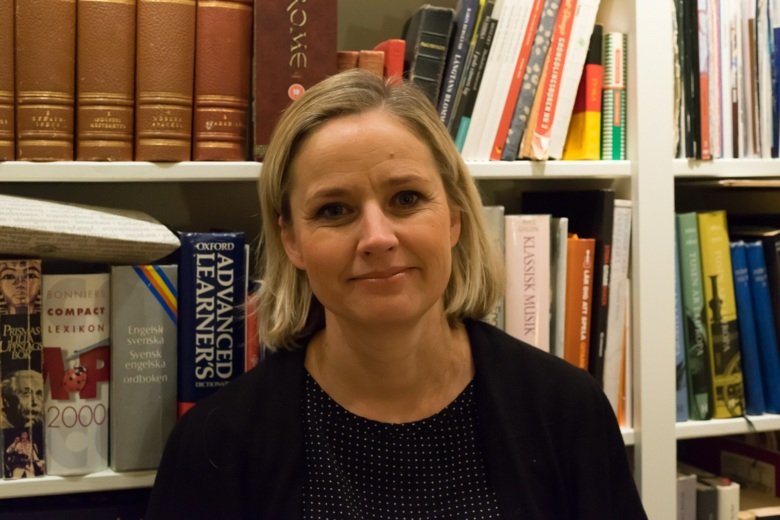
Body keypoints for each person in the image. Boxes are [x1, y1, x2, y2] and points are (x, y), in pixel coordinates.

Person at [146, 69, 648, 519]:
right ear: (292, 240)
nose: (378, 237)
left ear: (453, 218)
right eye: (334, 210)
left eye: (406, 199)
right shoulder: (215, 444)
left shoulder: (566, 410)